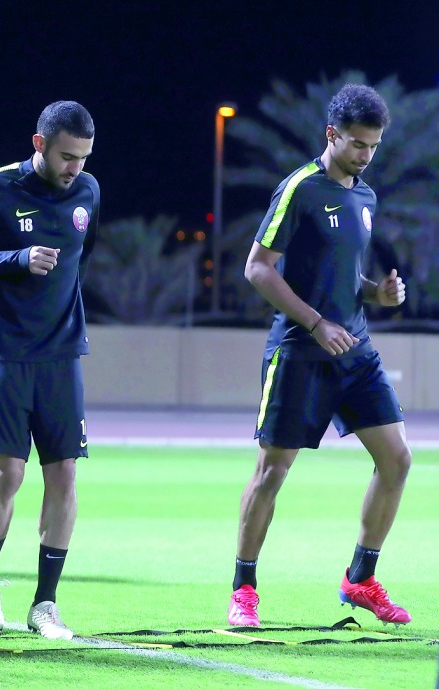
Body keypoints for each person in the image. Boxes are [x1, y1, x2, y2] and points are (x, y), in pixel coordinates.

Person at [228, 84, 412, 628]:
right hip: (299, 353)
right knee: (272, 473)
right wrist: (315, 322)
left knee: (397, 460)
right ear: (332, 134)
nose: (366, 155)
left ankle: (360, 578)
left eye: (374, 146)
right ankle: (243, 589)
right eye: (357, 143)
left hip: (355, 350)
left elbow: (344, 278)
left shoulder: (365, 197)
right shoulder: (300, 189)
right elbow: (257, 268)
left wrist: (376, 293)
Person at [0, 101, 99, 640]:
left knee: (65, 475)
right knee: (8, 473)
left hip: (62, 356)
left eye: (83, 157)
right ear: (39, 144)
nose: (75, 167)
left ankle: (45, 605)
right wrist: (15, 259)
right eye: (67, 156)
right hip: (3, 352)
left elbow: (79, 260)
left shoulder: (88, 192)